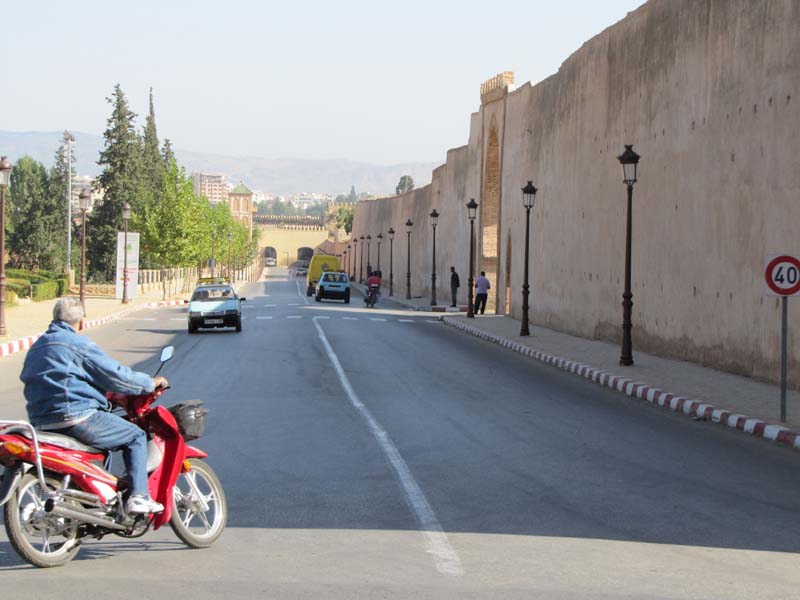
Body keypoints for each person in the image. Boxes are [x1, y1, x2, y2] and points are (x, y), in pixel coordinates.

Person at [20, 297, 168, 515]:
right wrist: (149, 383)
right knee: (135, 436)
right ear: (81, 321)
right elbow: (115, 375)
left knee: (102, 443)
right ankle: (139, 496)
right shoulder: (78, 344)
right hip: (76, 416)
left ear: (54, 318)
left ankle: (94, 500)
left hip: (41, 421)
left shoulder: (37, 347)